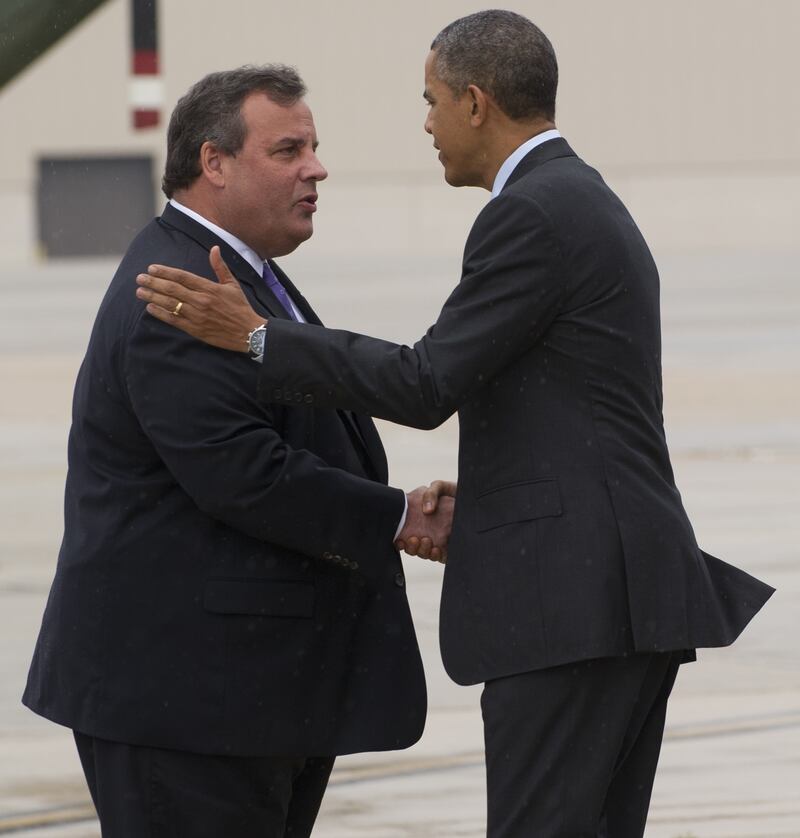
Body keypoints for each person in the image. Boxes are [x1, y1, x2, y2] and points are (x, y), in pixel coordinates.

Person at [136, 12, 775, 838]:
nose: (426, 124)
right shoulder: (578, 198)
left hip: (575, 602)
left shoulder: (532, 213)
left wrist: (257, 337)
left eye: (432, 101)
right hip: (616, 590)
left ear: (476, 104)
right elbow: (577, 412)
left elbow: (426, 380)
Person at [23, 65, 454, 838]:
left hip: (245, 697)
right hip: (186, 706)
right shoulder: (175, 289)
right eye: (288, 150)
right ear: (213, 164)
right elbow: (242, 474)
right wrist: (398, 516)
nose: (316, 168)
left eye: (315, 148)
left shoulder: (242, 276)